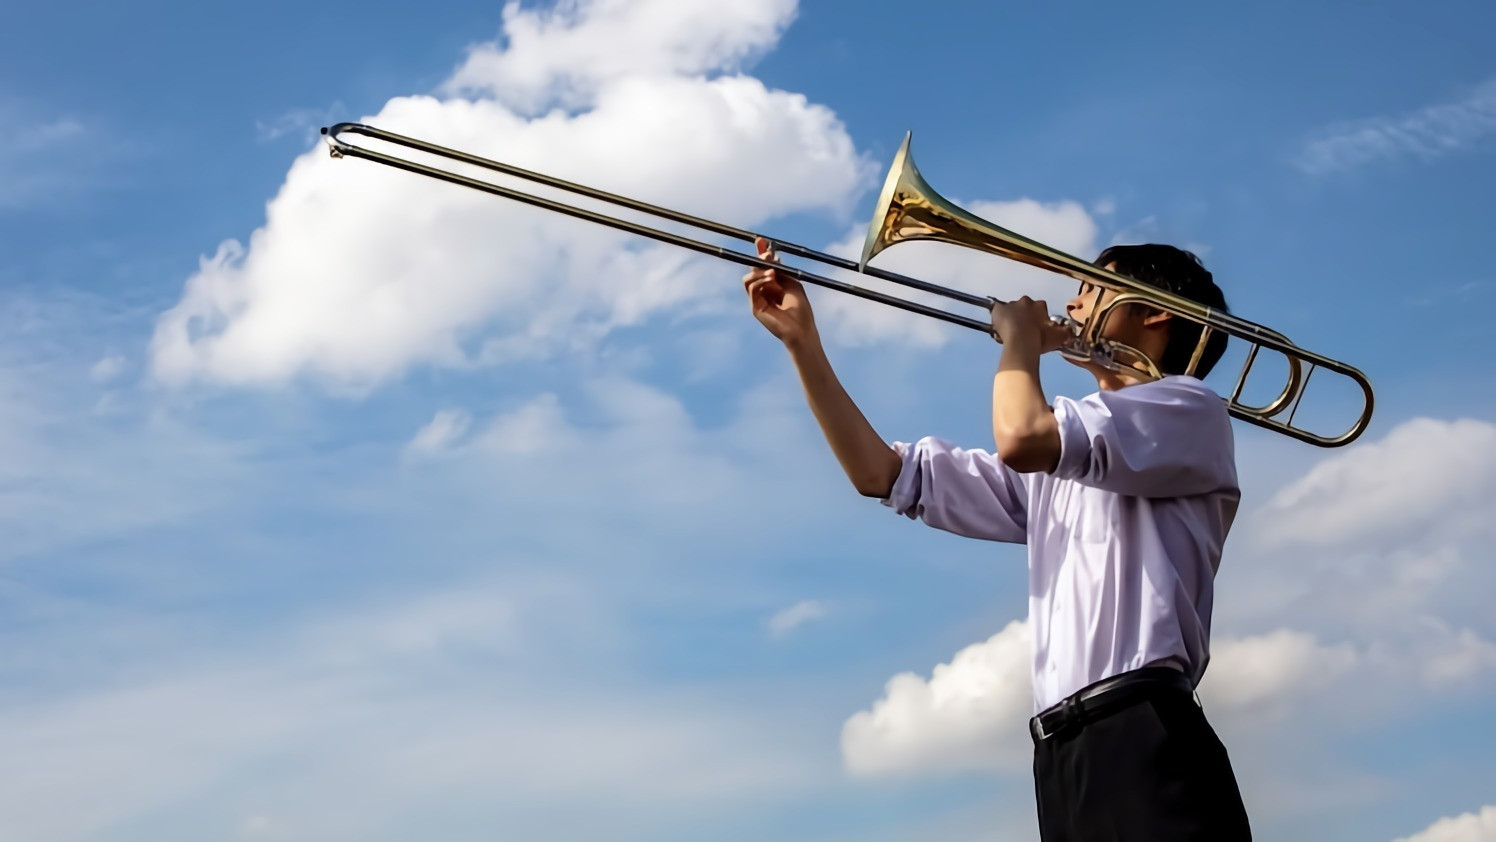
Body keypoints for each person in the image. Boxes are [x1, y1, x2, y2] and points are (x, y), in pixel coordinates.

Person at [743, 236, 1252, 841]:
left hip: (1140, 725)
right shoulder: (1071, 450)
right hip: (1063, 748)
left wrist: (1020, 343)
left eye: (1092, 287)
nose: (1073, 301)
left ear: (1154, 311)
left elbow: (1021, 436)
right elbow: (880, 475)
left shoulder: (1188, 407)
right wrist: (803, 344)